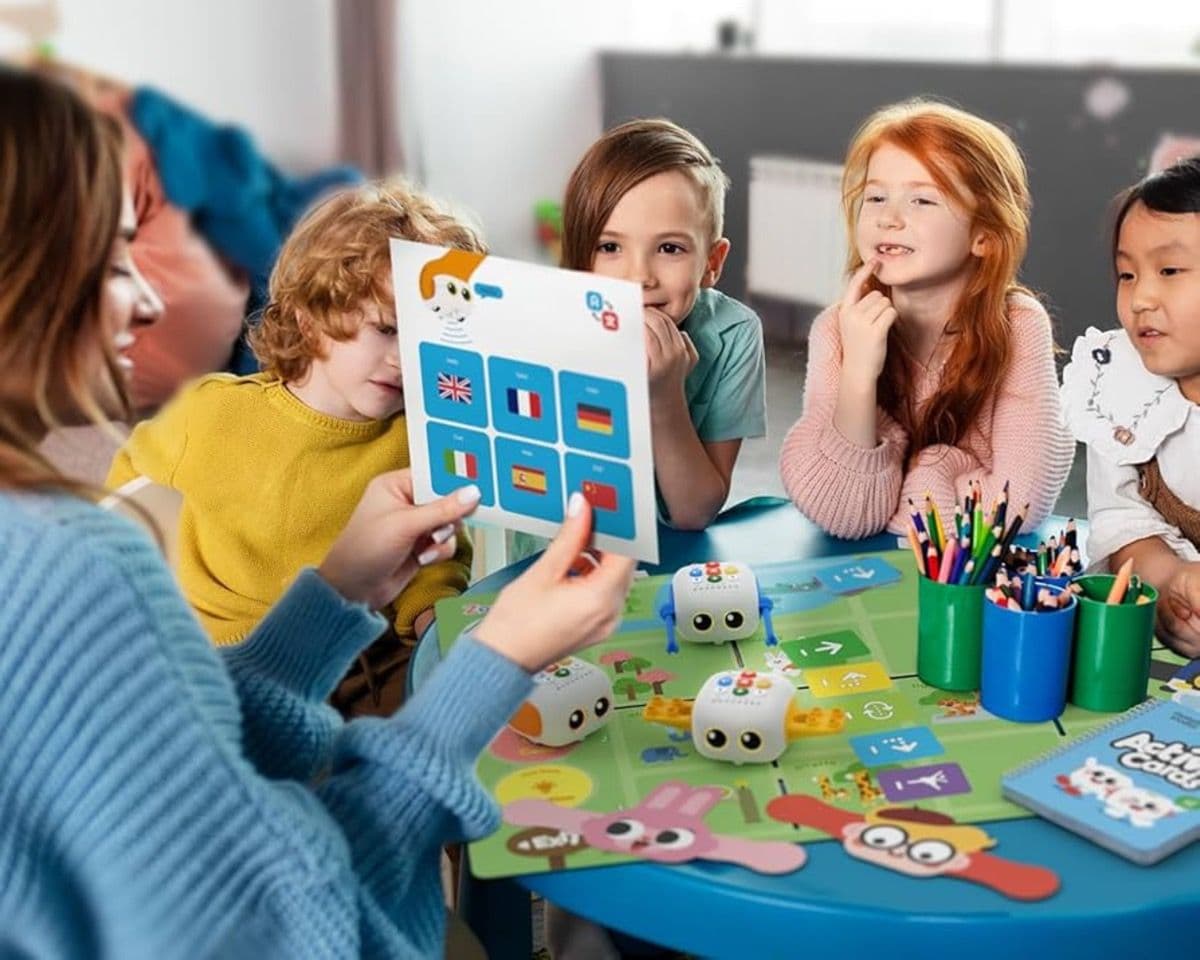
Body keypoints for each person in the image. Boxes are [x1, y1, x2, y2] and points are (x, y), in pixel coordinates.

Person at [0, 67, 636, 958]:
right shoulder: (82, 565)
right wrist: (497, 660)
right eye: (113, 262)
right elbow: (298, 922)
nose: (147, 300)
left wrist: (337, 590)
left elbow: (184, 765)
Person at [107, 181, 480, 716]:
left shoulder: (418, 437)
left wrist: (434, 619)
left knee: (471, 722)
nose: (405, 359)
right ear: (309, 317)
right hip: (232, 661)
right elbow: (122, 501)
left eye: (427, 342)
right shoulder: (211, 413)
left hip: (370, 658)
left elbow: (434, 556)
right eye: (385, 329)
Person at [779, 100, 1072, 539]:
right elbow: (839, 512)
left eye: (922, 200)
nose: (888, 218)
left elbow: (1020, 506)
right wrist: (858, 373)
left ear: (984, 235)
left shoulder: (1018, 325)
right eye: (876, 197)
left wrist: (930, 471)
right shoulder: (837, 330)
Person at [561, 118, 767, 530]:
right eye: (610, 246)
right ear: (581, 258)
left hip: (668, 551)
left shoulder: (735, 333)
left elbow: (695, 512)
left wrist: (664, 397)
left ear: (712, 264)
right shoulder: (553, 322)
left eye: (670, 248)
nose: (639, 276)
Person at [1063, 157, 1200, 657]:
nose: (1140, 297)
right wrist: (1170, 584)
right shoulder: (1118, 388)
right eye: (1127, 274)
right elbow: (1121, 519)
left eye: (1169, 270)